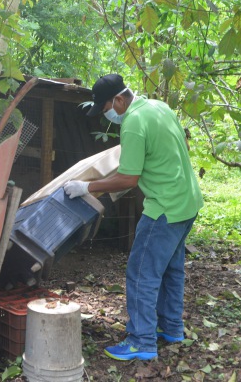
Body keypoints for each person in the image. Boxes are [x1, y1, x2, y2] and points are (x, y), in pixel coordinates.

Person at [64, 73, 203, 361]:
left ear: (118, 100)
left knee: (141, 273)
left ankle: (142, 341)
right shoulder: (159, 107)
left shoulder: (133, 123)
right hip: (188, 201)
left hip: (164, 208)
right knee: (171, 269)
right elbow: (176, 150)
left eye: (106, 109)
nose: (107, 116)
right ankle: (172, 328)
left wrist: (86, 187)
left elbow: (128, 178)